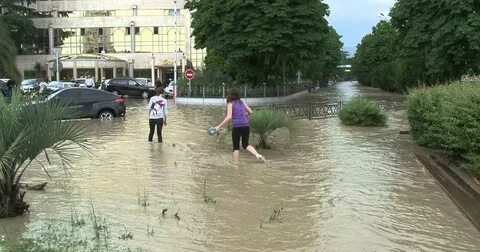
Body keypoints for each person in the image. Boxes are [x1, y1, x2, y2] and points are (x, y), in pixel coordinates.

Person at [215, 89, 265, 163]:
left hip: (237, 127)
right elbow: (250, 111)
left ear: (230, 95)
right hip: (246, 126)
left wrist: (219, 127)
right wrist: (245, 115)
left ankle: (236, 166)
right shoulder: (242, 102)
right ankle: (257, 155)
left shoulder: (230, 103)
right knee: (246, 144)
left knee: (236, 148)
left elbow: (229, 117)